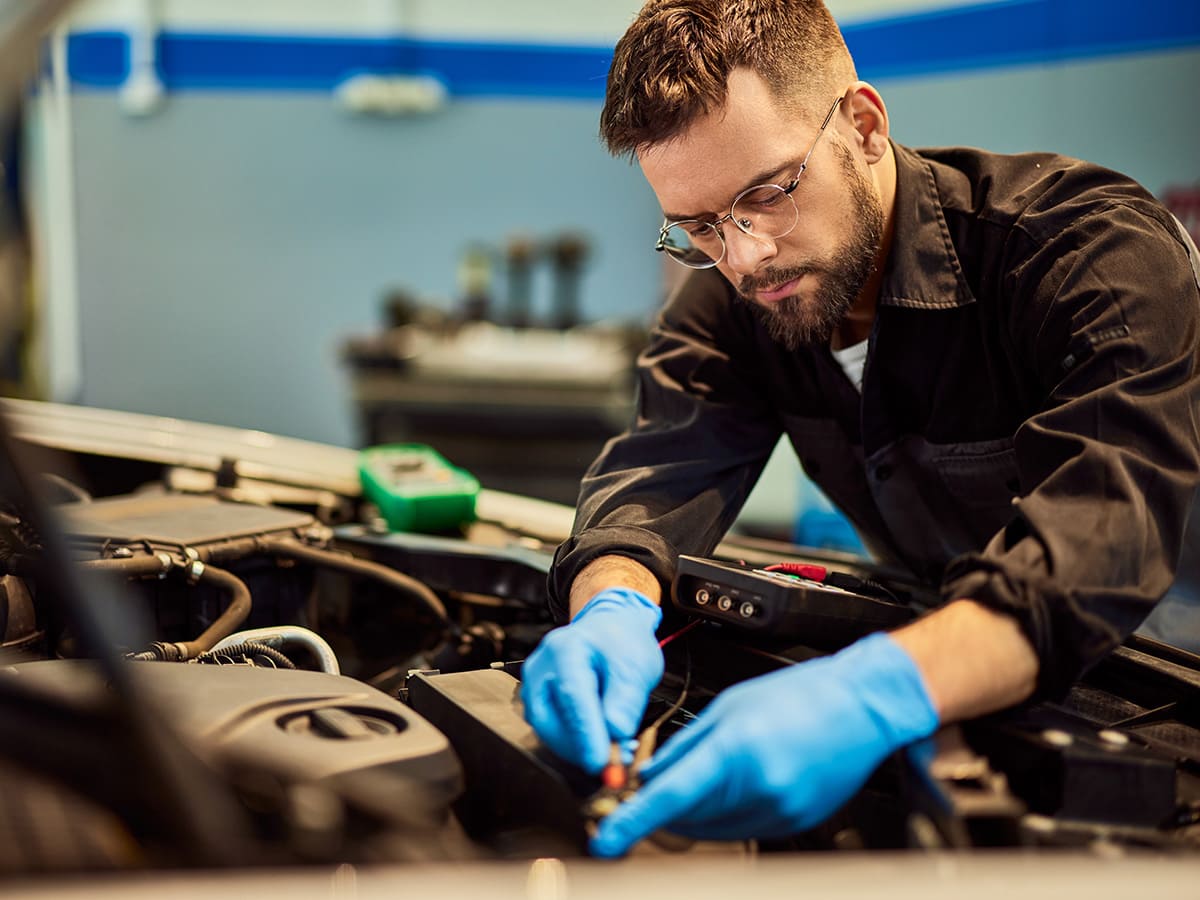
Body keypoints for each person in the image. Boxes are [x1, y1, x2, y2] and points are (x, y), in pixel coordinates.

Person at [520, 0, 1200, 857]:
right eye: (698, 227)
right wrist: (609, 603)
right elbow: (660, 467)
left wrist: (872, 694)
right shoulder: (733, 300)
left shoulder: (1084, 249)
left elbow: (1103, 533)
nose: (744, 255)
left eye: (765, 195)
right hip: (978, 669)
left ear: (866, 126)